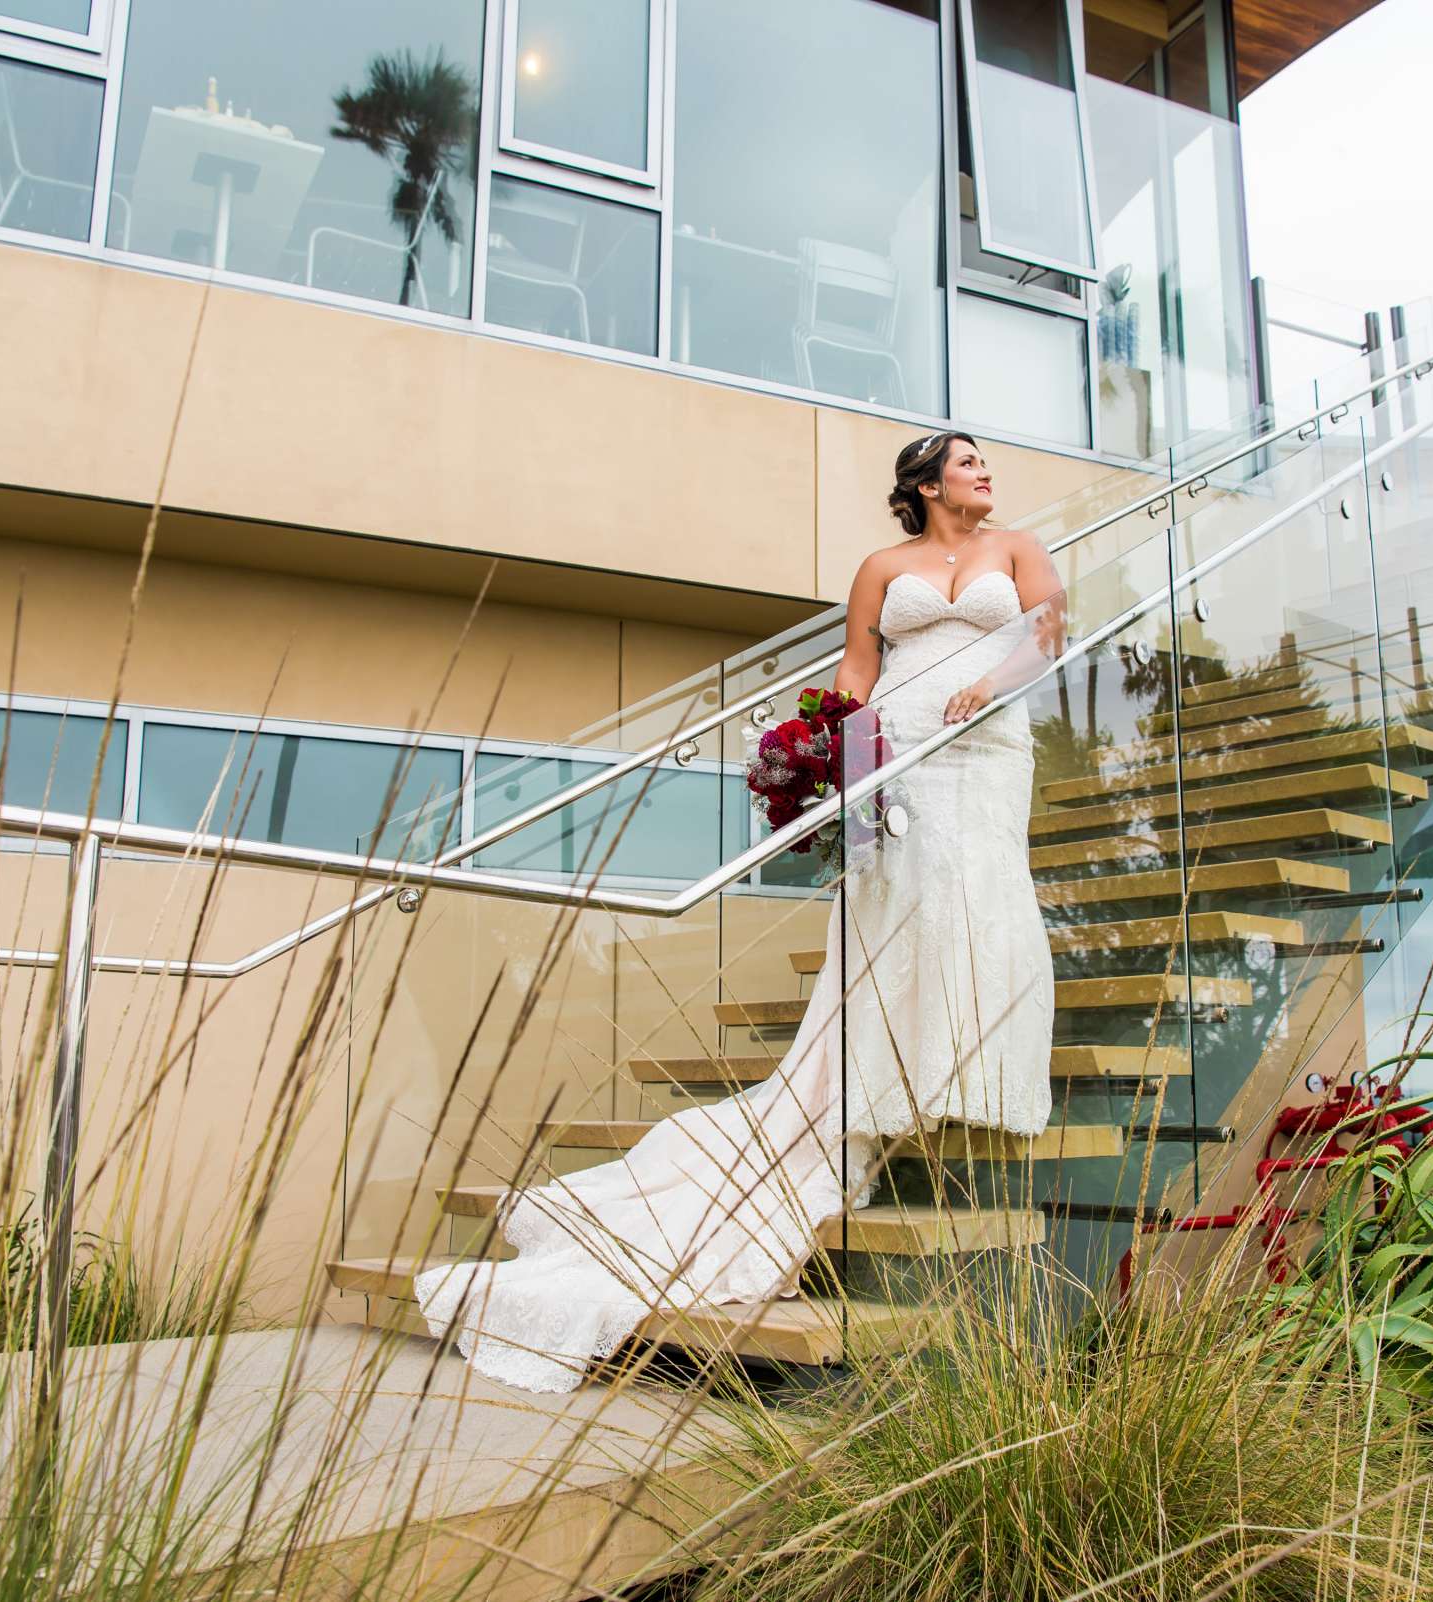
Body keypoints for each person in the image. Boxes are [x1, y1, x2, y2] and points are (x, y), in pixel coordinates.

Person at [413, 431, 1064, 1392]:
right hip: (906, 740)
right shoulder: (884, 567)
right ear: (925, 485)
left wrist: (989, 685)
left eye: (982, 465)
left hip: (990, 736)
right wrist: (833, 746)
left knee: (982, 891)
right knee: (904, 907)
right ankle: (891, 1072)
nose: (983, 474)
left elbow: (1049, 630)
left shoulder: (1017, 549)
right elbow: (855, 667)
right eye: (965, 463)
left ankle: (968, 1069)